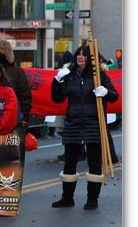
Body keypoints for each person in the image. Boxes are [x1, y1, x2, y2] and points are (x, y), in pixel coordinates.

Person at [51, 45, 119, 210]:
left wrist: (106, 92)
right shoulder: (69, 76)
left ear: (91, 58)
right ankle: (67, 198)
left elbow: (114, 96)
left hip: (94, 123)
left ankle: (92, 199)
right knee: (69, 163)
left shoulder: (99, 76)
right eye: (78, 54)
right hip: (73, 123)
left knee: (94, 163)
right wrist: (57, 81)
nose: (80, 57)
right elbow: (58, 99)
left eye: (84, 55)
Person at [0, 38, 32, 162]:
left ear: (8, 54)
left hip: (14, 121)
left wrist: (25, 119)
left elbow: (25, 96)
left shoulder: (17, 72)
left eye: (1, 51)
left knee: (14, 158)